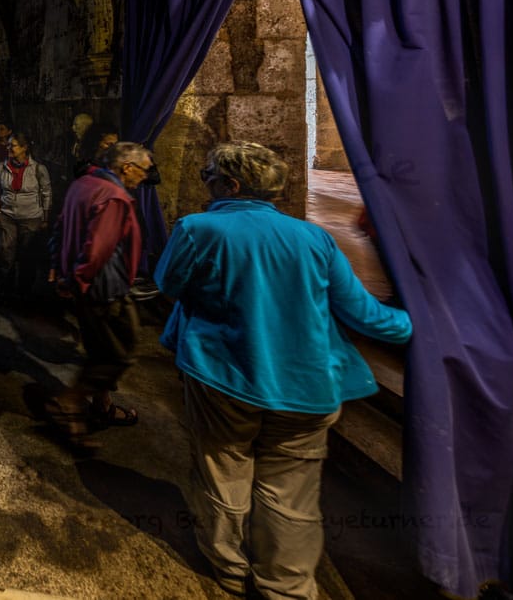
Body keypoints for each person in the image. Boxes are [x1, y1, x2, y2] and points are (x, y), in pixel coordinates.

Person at [154, 141, 412, 598]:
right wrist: (427, 326)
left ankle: (230, 569)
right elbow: (366, 317)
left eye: (207, 176)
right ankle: (287, 586)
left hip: (223, 377)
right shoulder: (314, 238)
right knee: (291, 496)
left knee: (223, 471)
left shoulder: (198, 228)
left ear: (231, 184)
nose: (205, 184)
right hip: (305, 386)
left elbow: (168, 283)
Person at [47, 142, 153, 450]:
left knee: (97, 349)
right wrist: (79, 280)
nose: (144, 177)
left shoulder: (83, 183)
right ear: (126, 168)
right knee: (120, 352)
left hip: (81, 284)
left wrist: (60, 270)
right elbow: (96, 251)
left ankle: (97, 409)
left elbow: (61, 226)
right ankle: (69, 402)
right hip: (103, 288)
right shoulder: (115, 198)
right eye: (143, 171)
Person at [0, 132, 52, 298]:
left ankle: (24, 292)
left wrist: (45, 218)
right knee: (5, 253)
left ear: (25, 148)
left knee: (27, 256)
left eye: (13, 145)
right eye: (8, 145)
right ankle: (6, 290)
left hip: (31, 218)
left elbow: (46, 193)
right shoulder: (2, 167)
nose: (9, 148)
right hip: (7, 216)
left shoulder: (38, 169)